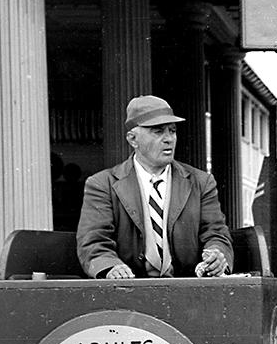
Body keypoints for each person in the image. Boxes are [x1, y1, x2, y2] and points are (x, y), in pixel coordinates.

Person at [77, 95, 232, 279]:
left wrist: (216, 255)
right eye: (158, 131)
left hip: (188, 288)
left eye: (172, 131)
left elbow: (216, 233)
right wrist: (111, 267)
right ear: (133, 139)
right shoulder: (102, 184)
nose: (169, 139)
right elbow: (94, 241)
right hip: (128, 291)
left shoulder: (202, 182)